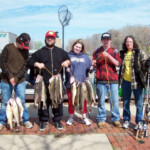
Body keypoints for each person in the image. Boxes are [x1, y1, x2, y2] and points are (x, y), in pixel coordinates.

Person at [27, 31, 70, 131]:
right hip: (43, 83)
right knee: (43, 102)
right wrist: (37, 64)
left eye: (52, 38)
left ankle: (57, 120)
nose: (50, 39)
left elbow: (68, 59)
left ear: (54, 40)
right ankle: (43, 120)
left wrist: (67, 62)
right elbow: (29, 61)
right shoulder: (39, 52)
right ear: (45, 39)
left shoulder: (61, 52)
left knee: (57, 101)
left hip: (57, 83)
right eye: (48, 38)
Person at [0, 33, 33, 130]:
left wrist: (17, 77)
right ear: (18, 41)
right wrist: (10, 76)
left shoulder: (25, 50)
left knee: (21, 101)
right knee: (5, 102)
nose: (24, 48)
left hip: (20, 80)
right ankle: (2, 120)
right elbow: (2, 63)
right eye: (22, 45)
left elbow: (25, 66)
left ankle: (25, 119)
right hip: (6, 80)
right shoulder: (8, 48)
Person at [119, 35, 149, 129]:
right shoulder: (122, 53)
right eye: (127, 41)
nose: (128, 43)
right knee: (126, 102)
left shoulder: (139, 52)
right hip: (125, 82)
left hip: (137, 82)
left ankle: (138, 122)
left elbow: (144, 65)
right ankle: (126, 120)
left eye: (130, 41)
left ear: (133, 43)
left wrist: (147, 63)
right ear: (125, 43)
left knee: (139, 103)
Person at [92, 32, 122, 128]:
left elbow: (118, 63)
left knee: (114, 101)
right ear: (101, 40)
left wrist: (108, 56)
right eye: (104, 39)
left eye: (107, 39)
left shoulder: (115, 51)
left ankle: (116, 119)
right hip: (100, 80)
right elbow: (93, 66)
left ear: (110, 40)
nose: (106, 41)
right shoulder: (97, 52)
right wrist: (92, 64)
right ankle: (101, 118)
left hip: (113, 80)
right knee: (101, 101)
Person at [65, 39, 92, 126]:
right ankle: (71, 118)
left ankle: (84, 117)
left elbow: (90, 69)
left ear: (82, 48)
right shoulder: (68, 56)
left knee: (83, 102)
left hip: (82, 84)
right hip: (71, 83)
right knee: (71, 101)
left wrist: (91, 69)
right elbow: (63, 66)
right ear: (73, 46)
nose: (77, 48)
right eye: (76, 46)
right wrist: (66, 68)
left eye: (79, 47)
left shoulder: (86, 57)